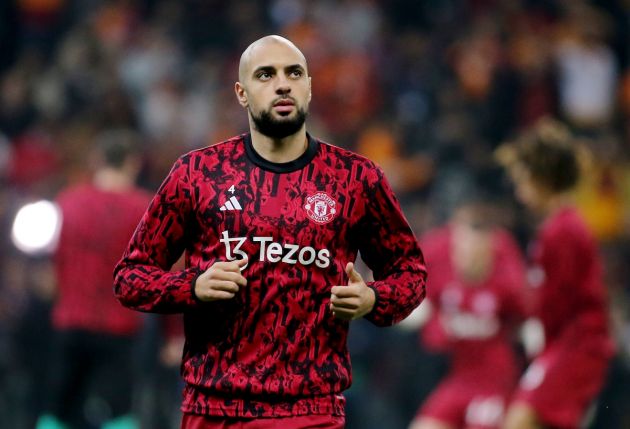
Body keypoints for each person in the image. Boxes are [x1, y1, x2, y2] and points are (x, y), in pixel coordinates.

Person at [113, 34, 427, 429]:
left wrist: (374, 299)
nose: (282, 83)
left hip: (310, 410)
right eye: (266, 74)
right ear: (242, 94)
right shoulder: (197, 173)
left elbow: (410, 272)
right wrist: (191, 287)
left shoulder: (355, 178)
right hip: (213, 408)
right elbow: (129, 277)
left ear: (309, 87)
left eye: (294, 73)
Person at [496, 118, 615, 429]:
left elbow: (561, 303)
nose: (520, 194)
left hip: (575, 346)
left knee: (518, 422)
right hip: (570, 346)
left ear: (542, 179)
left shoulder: (562, 232)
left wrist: (538, 330)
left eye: (523, 182)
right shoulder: (561, 226)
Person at [37, 129, 152, 429]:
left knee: (58, 410)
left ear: (96, 160)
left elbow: (51, 266)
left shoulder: (67, 203)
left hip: (72, 321)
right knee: (119, 412)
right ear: (133, 163)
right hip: (120, 327)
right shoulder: (146, 210)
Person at [408, 198, 528, 429]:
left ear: (489, 248)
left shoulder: (507, 283)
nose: (466, 256)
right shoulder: (439, 265)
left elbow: (524, 312)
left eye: (476, 250)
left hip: (493, 384)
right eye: (461, 248)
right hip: (457, 380)